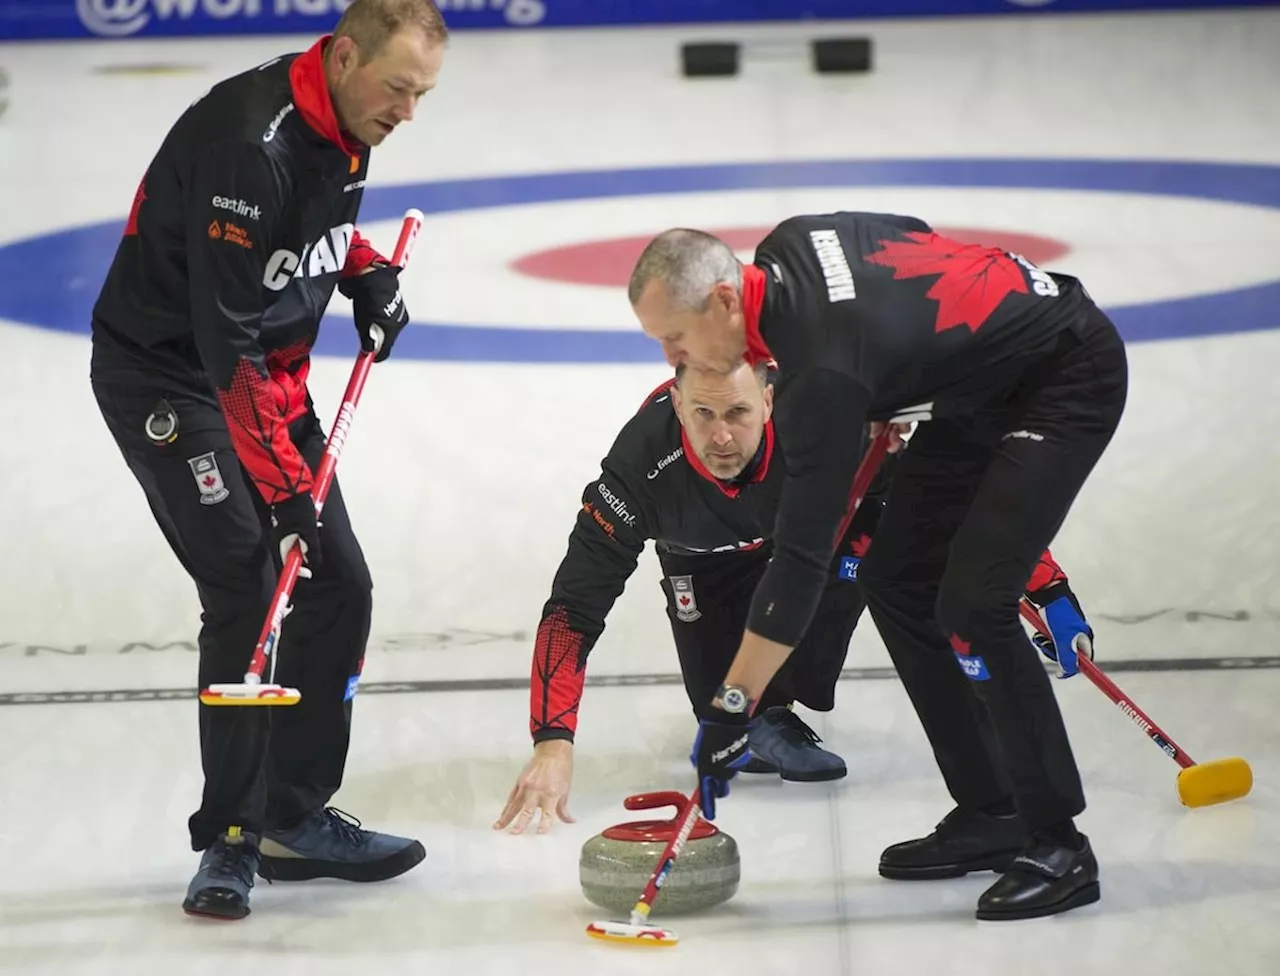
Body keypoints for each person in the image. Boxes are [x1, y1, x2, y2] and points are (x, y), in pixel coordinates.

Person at [628, 213, 1126, 922]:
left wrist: (732, 704)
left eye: (675, 337)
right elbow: (908, 234)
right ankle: (991, 810)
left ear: (723, 302)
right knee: (895, 577)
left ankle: (1059, 844)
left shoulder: (822, 379)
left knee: (975, 608)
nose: (671, 356)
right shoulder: (789, 246)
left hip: (1066, 376)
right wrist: (899, 369)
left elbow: (801, 562)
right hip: (979, 386)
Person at [88, 0, 448, 921]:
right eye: (399, 88)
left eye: (423, 94)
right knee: (253, 584)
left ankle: (293, 815)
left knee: (340, 583)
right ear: (343, 55)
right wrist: (287, 491)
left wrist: (362, 267)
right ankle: (231, 838)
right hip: (172, 379)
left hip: (264, 375)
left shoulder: (349, 119)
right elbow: (223, 339)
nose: (409, 111)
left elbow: (315, 223)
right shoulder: (252, 144)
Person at [493, 360, 1096, 837]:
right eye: (702, 413)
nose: (721, 437)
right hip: (701, 562)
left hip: (816, 544)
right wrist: (553, 742)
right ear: (676, 404)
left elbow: (954, 496)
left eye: (738, 412)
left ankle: (986, 763)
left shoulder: (826, 425)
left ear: (770, 401)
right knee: (724, 709)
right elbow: (572, 613)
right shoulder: (637, 474)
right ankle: (760, 714)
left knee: (893, 553)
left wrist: (1044, 583)